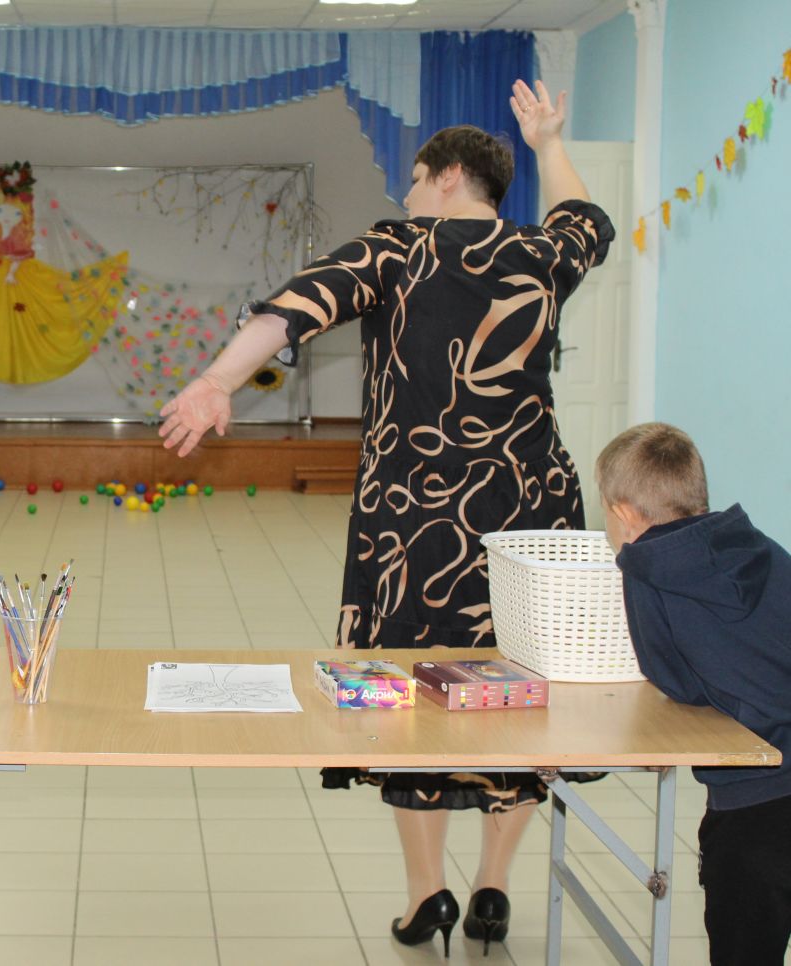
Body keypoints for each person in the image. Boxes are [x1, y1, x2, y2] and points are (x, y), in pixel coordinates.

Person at [159, 79, 614, 956]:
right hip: (532, 516)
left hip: (416, 517)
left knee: (408, 695)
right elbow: (583, 220)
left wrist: (216, 380)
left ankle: (426, 893)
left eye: (412, 180)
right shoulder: (538, 253)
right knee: (520, 694)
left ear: (447, 177)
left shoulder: (397, 248)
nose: (404, 198)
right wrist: (551, 144)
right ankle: (492, 886)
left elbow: (296, 307)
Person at [597, 423, 791, 966]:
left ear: (625, 514)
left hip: (756, 801)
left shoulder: (645, 566)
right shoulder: (756, 543)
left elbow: (673, 679)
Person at [0, 162, 128, 384]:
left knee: (31, 313)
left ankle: (17, 363)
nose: (6, 217)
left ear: (24, 216)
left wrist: (11, 272)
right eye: (0, 211)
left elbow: (18, 257)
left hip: (16, 275)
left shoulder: (18, 241)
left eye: (15, 213)